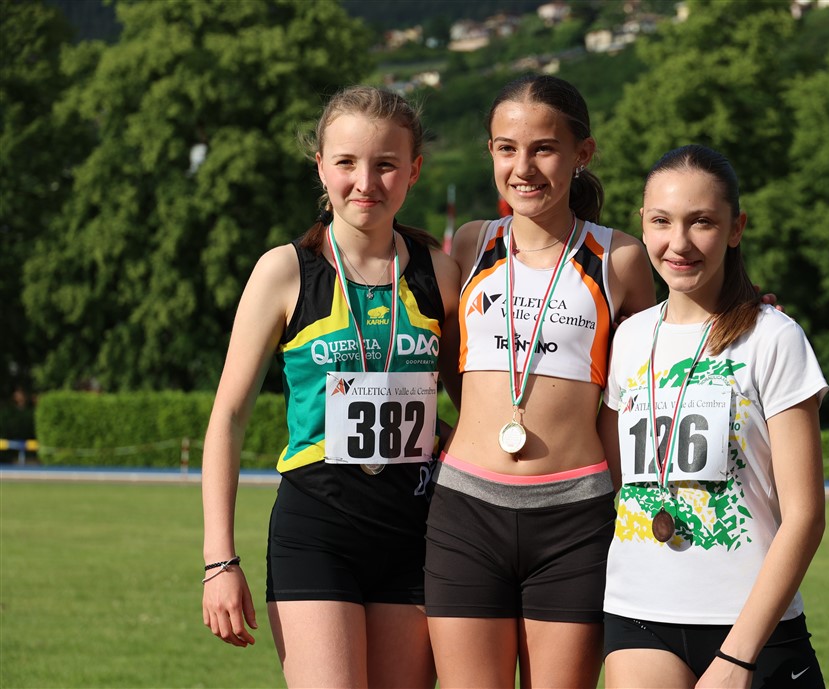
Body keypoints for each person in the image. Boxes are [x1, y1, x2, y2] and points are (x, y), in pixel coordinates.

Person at [201, 85, 459, 689]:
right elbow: (228, 418)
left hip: (416, 532)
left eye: (386, 164)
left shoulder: (439, 273)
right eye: (346, 162)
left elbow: (470, 410)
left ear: (414, 170)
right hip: (317, 530)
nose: (365, 182)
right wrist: (219, 560)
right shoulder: (285, 270)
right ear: (321, 166)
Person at [424, 74, 658, 689]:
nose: (523, 167)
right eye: (506, 148)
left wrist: (747, 311)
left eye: (544, 149)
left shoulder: (621, 259)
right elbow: (445, 356)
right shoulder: (471, 243)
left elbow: (659, 363)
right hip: (465, 512)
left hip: (573, 519)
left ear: (583, 153)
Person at [597, 144, 827, 688]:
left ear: (735, 228)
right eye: (662, 221)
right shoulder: (629, 338)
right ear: (643, 224)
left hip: (752, 627)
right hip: (638, 614)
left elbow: (806, 516)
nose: (678, 243)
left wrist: (738, 658)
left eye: (701, 222)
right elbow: (615, 477)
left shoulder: (774, 338)